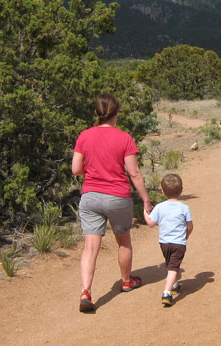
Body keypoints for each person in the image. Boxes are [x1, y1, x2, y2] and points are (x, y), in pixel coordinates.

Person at [72, 93, 153, 313]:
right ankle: (126, 281)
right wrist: (146, 199)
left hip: (90, 196)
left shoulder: (84, 136)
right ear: (116, 113)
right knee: (123, 241)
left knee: (90, 247)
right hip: (118, 196)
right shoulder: (124, 138)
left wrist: (93, 171)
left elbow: (76, 169)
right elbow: (134, 173)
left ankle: (85, 291)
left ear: (96, 113)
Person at [143, 173, 193, 307]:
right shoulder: (184, 208)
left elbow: (151, 223)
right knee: (173, 266)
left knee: (170, 264)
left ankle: (174, 283)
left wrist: (145, 212)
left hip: (164, 242)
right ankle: (166, 292)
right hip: (179, 243)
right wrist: (186, 234)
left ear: (162, 191)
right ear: (181, 190)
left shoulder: (159, 207)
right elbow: (190, 225)